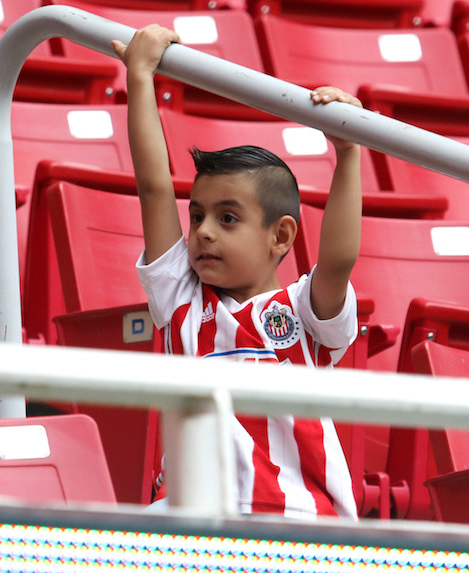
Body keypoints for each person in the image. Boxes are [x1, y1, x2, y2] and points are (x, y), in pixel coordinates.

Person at [112, 25, 362, 519]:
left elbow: (338, 258)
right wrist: (140, 77)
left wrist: (349, 150)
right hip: (192, 516)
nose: (203, 232)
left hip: (300, 520)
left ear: (282, 237)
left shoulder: (304, 311)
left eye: (228, 219)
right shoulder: (181, 299)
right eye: (198, 215)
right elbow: (154, 189)